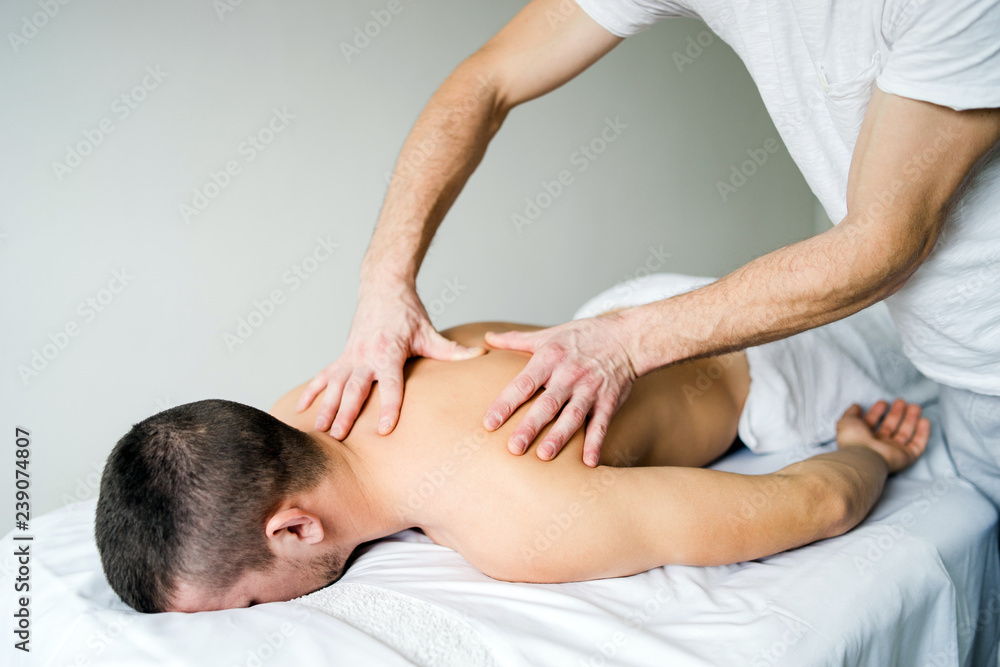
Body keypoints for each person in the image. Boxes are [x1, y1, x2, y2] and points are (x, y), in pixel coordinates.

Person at [294, 0, 1000, 509]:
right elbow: (488, 80)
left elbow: (883, 243)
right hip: (928, 340)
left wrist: (627, 342)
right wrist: (383, 281)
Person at [95, 316, 929, 613]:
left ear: (296, 526)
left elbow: (813, 506)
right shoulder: (305, 406)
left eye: (244, 602)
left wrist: (864, 453)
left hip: (761, 371)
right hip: (612, 325)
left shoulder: (517, 523)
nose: (255, 616)